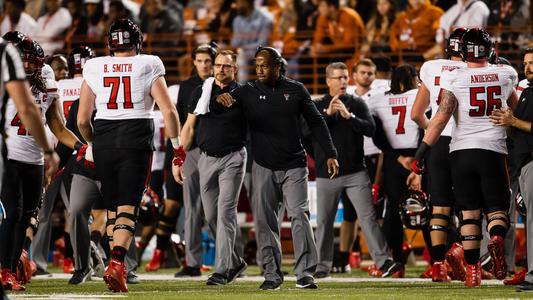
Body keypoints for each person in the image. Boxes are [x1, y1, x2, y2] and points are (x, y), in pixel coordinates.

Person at [217, 46, 339, 290]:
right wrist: (221, 99)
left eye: (265, 65)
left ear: (278, 67)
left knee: (299, 215)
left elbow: (317, 122)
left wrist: (330, 153)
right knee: (264, 222)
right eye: (257, 65)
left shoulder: (296, 90)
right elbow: (222, 100)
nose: (260, 69)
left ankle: (305, 273)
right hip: (262, 166)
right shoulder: (248, 91)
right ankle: (272, 274)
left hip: (294, 164)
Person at [77, 18, 182, 293]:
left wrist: (91, 143)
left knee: (112, 210)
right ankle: (117, 263)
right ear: (137, 40)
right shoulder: (149, 63)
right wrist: (178, 148)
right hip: (135, 137)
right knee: (127, 208)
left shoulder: (94, 65)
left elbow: (81, 120)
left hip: (104, 139)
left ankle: (116, 266)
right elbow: (169, 111)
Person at [411, 28, 518, 287]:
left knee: (468, 214)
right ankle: (496, 238)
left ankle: (472, 273)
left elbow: (440, 119)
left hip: (460, 151)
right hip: (492, 150)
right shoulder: (506, 74)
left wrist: (421, 154)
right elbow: (515, 111)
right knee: (496, 209)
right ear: (489, 49)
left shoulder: (455, 77)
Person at [0, 37, 81, 291]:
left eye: (33, 62)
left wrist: (81, 147)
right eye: (24, 60)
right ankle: (3, 270)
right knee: (12, 214)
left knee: (26, 218)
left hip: (35, 158)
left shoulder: (46, 73)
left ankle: (9, 271)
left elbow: (56, 123)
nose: (30, 66)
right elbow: (24, 109)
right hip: (9, 154)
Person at [312, 62, 401, 279]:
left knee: (368, 218)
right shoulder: (316, 105)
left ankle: (383, 261)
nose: (343, 82)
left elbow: (370, 129)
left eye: (345, 78)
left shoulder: (357, 103)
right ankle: (321, 266)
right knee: (324, 222)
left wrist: (349, 117)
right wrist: (327, 115)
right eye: (338, 78)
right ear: (328, 81)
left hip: (355, 172)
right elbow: (307, 132)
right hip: (327, 174)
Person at [146, 44, 217, 277]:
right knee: (192, 210)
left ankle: (231, 258)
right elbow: (178, 127)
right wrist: (175, 159)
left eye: (208, 60)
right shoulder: (186, 88)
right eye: (200, 60)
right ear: (194, 62)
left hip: (218, 152)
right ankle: (192, 262)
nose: (204, 65)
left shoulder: (223, 85)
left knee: (219, 210)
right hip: (192, 152)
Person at [178, 50, 247, 285]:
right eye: (218, 65)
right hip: (205, 158)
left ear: (235, 69)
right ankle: (236, 261)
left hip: (233, 158)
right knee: (211, 215)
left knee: (226, 212)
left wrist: (233, 99)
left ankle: (223, 269)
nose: (220, 69)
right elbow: (188, 126)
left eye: (226, 66)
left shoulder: (244, 93)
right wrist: (179, 158)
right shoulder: (202, 91)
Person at [410, 27, 467, 282]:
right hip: (468, 142)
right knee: (470, 208)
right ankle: (464, 254)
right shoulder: (478, 69)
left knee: (439, 207)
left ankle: (438, 265)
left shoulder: (431, 67)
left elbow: (415, 114)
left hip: (437, 144)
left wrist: (432, 131)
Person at [368, 64, 422, 277]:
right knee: (429, 207)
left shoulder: (379, 98)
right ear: (409, 78)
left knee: (393, 212)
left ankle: (397, 263)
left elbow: (376, 134)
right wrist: (417, 159)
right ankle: (439, 261)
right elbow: (428, 127)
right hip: (417, 154)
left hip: (393, 158)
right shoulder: (419, 94)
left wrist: (397, 157)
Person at [492, 48, 533, 292]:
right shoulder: (527, 92)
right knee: (529, 222)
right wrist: (505, 120)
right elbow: (516, 132)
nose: (528, 67)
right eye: (526, 63)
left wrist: (513, 121)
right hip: (523, 165)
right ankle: (529, 271)